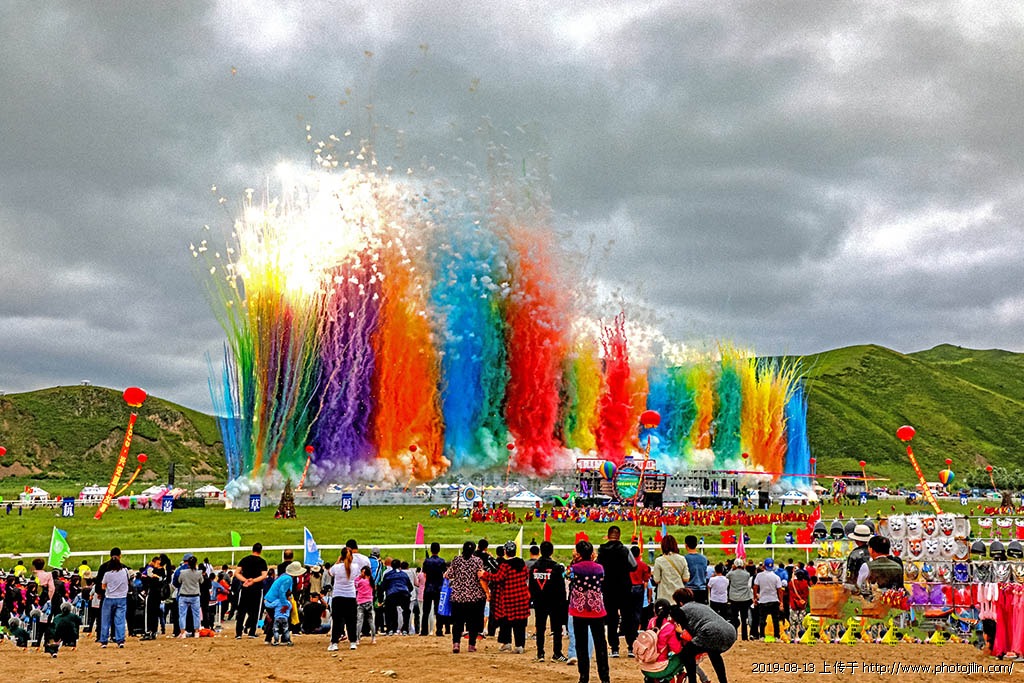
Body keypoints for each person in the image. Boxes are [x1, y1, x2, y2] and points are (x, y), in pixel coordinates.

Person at [672, 587, 737, 683]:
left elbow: (685, 632)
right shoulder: (702, 606)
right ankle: (723, 681)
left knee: (686, 654)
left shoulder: (682, 610)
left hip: (711, 631)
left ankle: (692, 681)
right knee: (713, 652)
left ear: (680, 602)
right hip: (730, 631)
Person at [569, 539, 610, 683]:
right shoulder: (599, 568)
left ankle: (583, 676)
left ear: (578, 553)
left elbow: (568, 578)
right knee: (600, 644)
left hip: (579, 609)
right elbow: (602, 580)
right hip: (596, 609)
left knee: (581, 644)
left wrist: (574, 561)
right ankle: (604, 677)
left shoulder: (574, 568)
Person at [482, 540, 530, 653]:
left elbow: (498, 578)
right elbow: (526, 575)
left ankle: (506, 643)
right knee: (520, 622)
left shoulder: (505, 565)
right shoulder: (522, 563)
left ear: (505, 552)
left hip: (509, 598)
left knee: (506, 621)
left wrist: (484, 574)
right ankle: (520, 645)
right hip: (522, 596)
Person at [597, 524, 637, 657]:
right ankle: (631, 646)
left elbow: (598, 567)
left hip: (608, 588)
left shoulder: (602, 551)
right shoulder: (625, 550)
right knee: (628, 617)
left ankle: (614, 648)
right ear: (619, 536)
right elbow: (634, 566)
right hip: (624, 587)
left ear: (608, 536)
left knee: (611, 619)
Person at [444, 540, 486, 653]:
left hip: (458, 597)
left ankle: (456, 644)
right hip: (474, 597)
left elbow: (449, 575)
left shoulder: (456, 560)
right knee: (473, 622)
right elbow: (481, 577)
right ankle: (471, 645)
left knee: (457, 622)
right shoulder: (477, 561)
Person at [529, 540, 568, 662]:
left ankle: (540, 653)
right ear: (552, 552)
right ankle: (557, 653)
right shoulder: (556, 567)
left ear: (540, 551)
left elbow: (531, 585)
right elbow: (561, 587)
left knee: (540, 627)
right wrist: (563, 602)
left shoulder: (534, 567)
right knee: (557, 628)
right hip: (554, 602)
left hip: (539, 601)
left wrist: (534, 598)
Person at [328, 542, 370, 651]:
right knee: (351, 620)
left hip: (338, 595)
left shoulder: (336, 567)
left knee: (337, 620)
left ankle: (334, 643)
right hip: (350, 595)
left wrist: (338, 561)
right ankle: (353, 642)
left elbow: (330, 573)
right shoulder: (355, 567)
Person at [264, 561, 305, 646]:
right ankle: (284, 639)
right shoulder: (288, 579)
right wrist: (285, 604)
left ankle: (268, 638)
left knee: (275, 620)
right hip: (277, 601)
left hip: (270, 600)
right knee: (285, 620)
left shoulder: (283, 576)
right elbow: (282, 592)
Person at [235, 543, 268, 640]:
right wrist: (253, 581)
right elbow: (264, 575)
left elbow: (237, 573)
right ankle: (251, 632)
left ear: (252, 549)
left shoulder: (244, 560)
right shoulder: (262, 562)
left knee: (241, 610)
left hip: (245, 587)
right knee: (255, 611)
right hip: (257, 588)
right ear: (260, 551)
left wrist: (245, 580)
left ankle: (238, 633)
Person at [99, 554, 130, 648]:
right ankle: (120, 640)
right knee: (120, 620)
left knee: (105, 620)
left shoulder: (107, 574)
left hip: (109, 598)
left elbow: (103, 586)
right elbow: (128, 581)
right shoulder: (125, 571)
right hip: (122, 597)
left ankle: (104, 641)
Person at [419, 542, 447, 636]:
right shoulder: (442, 561)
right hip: (438, 588)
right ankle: (439, 630)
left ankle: (424, 630)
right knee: (438, 610)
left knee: (426, 611)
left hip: (428, 588)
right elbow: (444, 573)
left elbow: (424, 574)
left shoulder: (427, 561)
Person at [652, 535, 690, 603]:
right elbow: (686, 578)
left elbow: (657, 580)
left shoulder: (659, 560)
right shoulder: (682, 559)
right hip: (679, 595)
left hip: (664, 595)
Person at [752, 559, 783, 641]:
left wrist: (755, 597)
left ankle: (762, 636)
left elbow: (755, 587)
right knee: (775, 619)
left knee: (762, 619)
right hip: (774, 600)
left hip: (763, 600)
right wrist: (781, 601)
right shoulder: (776, 577)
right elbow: (779, 590)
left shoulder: (759, 576)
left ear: (764, 566)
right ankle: (777, 636)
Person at [174, 554, 204, 638]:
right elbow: (201, 581)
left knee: (182, 615)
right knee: (196, 615)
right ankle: (196, 632)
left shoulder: (182, 572)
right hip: (195, 595)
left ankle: (183, 632)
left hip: (184, 595)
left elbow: (179, 581)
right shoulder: (199, 573)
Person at [382, 558, 413, 635]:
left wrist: (381, 598)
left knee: (389, 610)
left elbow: (383, 587)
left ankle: (390, 629)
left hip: (392, 594)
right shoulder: (404, 574)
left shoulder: (388, 575)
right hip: (404, 594)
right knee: (406, 611)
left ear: (391, 566)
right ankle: (405, 629)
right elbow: (410, 587)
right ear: (400, 566)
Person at [725, 559, 752, 641]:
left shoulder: (731, 574)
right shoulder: (747, 574)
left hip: (734, 598)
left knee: (734, 618)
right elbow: (747, 575)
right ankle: (744, 636)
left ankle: (735, 635)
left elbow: (726, 576)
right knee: (744, 619)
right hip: (744, 598)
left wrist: (732, 568)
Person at [630, 544, 654, 635]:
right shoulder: (643, 565)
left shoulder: (627, 565)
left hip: (629, 588)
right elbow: (646, 579)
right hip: (639, 588)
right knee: (638, 611)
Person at [843, 524, 872, 589]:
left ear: (856, 540)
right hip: (874, 586)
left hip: (859, 588)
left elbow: (850, 576)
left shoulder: (854, 554)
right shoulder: (874, 551)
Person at [683, 536, 710, 605]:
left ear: (686, 545)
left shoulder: (684, 559)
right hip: (702, 589)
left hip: (689, 589)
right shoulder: (704, 558)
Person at [355, 565, 377, 644]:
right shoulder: (371, 582)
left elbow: (355, 583)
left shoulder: (361, 581)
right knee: (371, 621)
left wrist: (359, 577)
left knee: (359, 621)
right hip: (369, 602)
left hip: (361, 602)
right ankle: (373, 638)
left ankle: (357, 639)